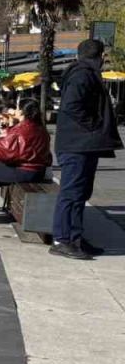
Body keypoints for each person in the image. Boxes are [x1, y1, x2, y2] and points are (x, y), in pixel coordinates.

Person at [51, 38, 123, 259]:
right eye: (104, 56)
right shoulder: (82, 74)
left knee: (80, 192)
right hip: (77, 145)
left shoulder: (83, 72)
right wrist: (94, 126)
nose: (105, 59)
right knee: (72, 193)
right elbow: (72, 106)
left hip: (82, 145)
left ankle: (75, 237)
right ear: (99, 56)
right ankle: (63, 239)